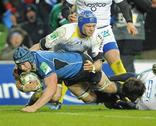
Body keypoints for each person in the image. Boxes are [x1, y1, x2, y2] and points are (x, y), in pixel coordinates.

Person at [13, 46, 146, 112]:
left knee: (107, 87)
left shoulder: (43, 63)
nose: (22, 67)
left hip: (83, 65)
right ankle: (113, 101)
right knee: (89, 99)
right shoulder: (24, 64)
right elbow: (18, 80)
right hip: (67, 75)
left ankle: (131, 87)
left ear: (29, 60)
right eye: (19, 65)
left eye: (23, 64)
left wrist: (34, 107)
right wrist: (24, 88)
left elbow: (51, 88)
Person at [61, 0, 138, 75]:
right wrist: (68, 16)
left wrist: (129, 22)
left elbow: (124, 5)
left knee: (115, 60)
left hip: (104, 30)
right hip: (84, 31)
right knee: (72, 65)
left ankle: (126, 87)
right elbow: (65, 6)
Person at [112, 0, 152, 72]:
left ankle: (130, 82)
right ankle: (128, 82)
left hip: (133, 36)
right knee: (117, 64)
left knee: (126, 64)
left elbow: (147, 6)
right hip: (116, 35)